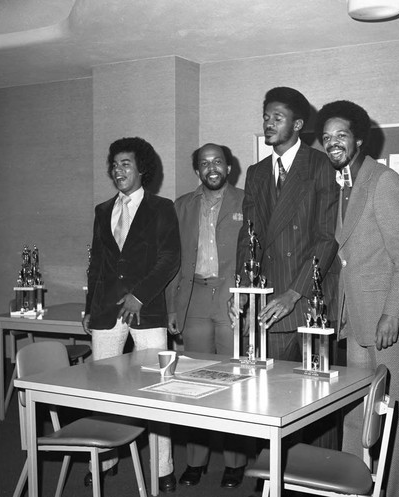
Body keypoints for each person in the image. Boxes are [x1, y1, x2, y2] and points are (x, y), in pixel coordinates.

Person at [315, 100, 399, 497]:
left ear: (359, 137)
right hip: (355, 317)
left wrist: (393, 313)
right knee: (358, 408)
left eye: (340, 135)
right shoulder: (343, 184)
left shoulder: (383, 180)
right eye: (327, 138)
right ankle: (353, 486)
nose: (333, 143)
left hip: (383, 319)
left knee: (393, 412)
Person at [83, 136, 180, 493]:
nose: (118, 170)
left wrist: (139, 296)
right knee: (103, 389)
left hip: (148, 309)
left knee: (158, 390)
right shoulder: (101, 210)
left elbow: (170, 258)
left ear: (142, 169)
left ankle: (162, 467)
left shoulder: (162, 208)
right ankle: (104, 459)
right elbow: (98, 263)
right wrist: (90, 305)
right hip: (107, 311)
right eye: (114, 164)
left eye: (126, 164)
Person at [228, 87, 339, 362]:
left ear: (297, 124)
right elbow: (249, 237)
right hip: (265, 302)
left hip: (305, 300)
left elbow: (327, 238)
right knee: (261, 391)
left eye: (277, 118)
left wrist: (293, 293)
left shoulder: (321, 165)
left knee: (309, 393)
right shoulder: (257, 173)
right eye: (266, 117)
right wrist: (244, 290)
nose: (268, 124)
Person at [166, 143, 247, 488]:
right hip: (194, 299)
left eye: (218, 162)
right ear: (197, 171)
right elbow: (171, 260)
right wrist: (172, 306)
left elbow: (259, 253)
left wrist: (245, 296)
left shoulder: (247, 201)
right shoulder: (181, 206)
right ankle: (196, 462)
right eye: (204, 163)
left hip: (231, 298)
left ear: (229, 168)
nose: (211, 168)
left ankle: (235, 462)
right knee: (194, 382)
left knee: (234, 382)